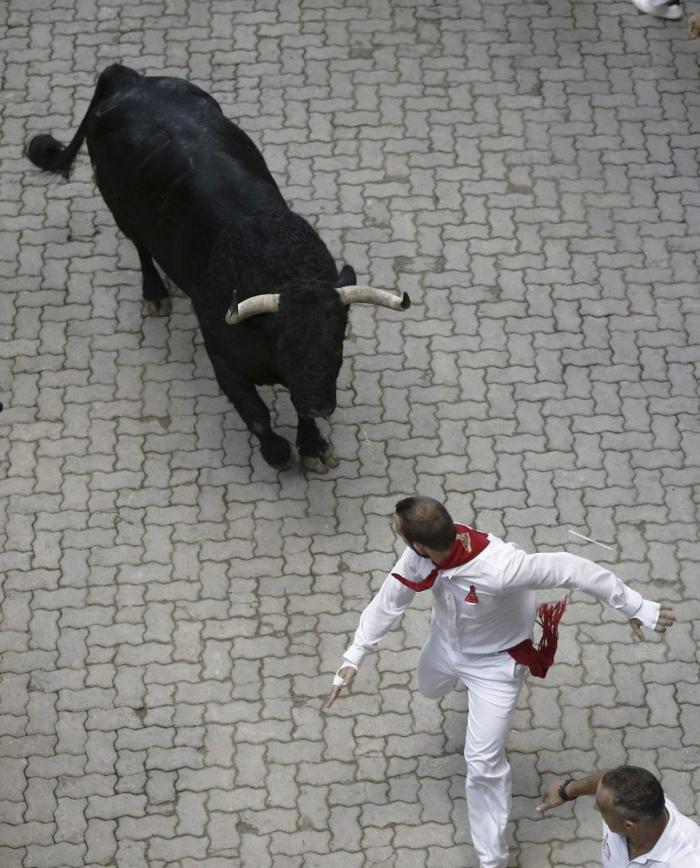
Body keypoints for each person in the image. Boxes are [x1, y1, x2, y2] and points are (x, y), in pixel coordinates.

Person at [326, 496, 676, 868]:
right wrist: (354, 655)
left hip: (494, 667)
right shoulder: (418, 558)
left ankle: (492, 860)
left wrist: (635, 606)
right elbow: (389, 600)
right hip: (445, 647)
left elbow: (573, 568)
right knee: (429, 687)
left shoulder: (503, 568)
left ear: (420, 544)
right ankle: (456, 686)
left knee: (482, 764)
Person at [538, 766, 700, 866]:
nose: (595, 807)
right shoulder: (628, 803)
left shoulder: (687, 860)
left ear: (629, 826)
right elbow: (603, 779)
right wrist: (567, 790)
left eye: (601, 807)